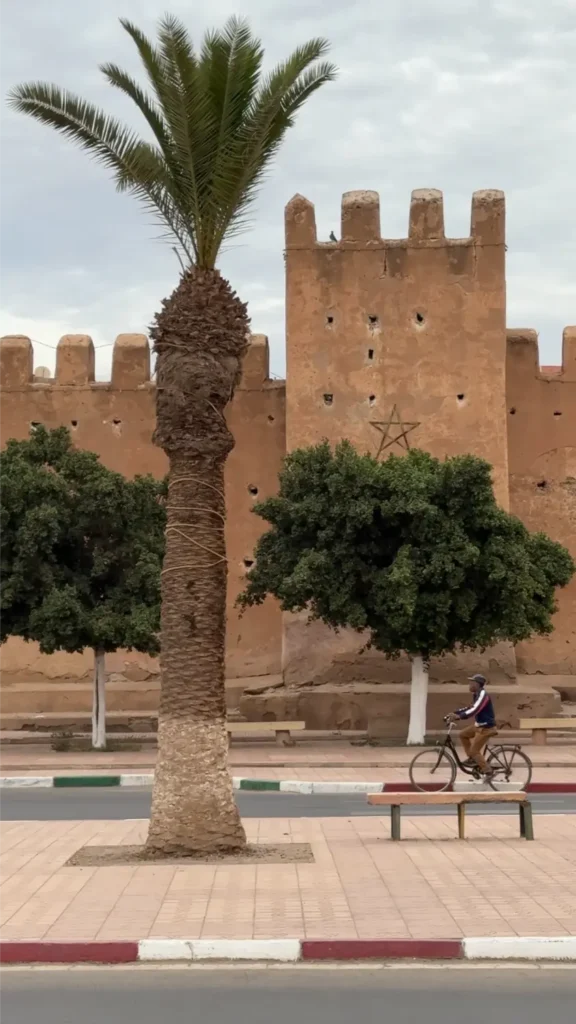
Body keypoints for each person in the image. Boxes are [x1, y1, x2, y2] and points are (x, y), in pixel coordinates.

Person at [449, 674, 498, 778]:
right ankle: (472, 759)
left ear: (477, 684)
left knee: (474, 751)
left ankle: (488, 771)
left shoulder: (483, 695)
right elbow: (470, 707)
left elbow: (475, 709)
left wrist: (459, 717)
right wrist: (455, 713)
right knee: (463, 734)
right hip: (479, 726)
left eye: (472, 682)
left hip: (487, 727)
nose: (469, 684)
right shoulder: (476, 694)